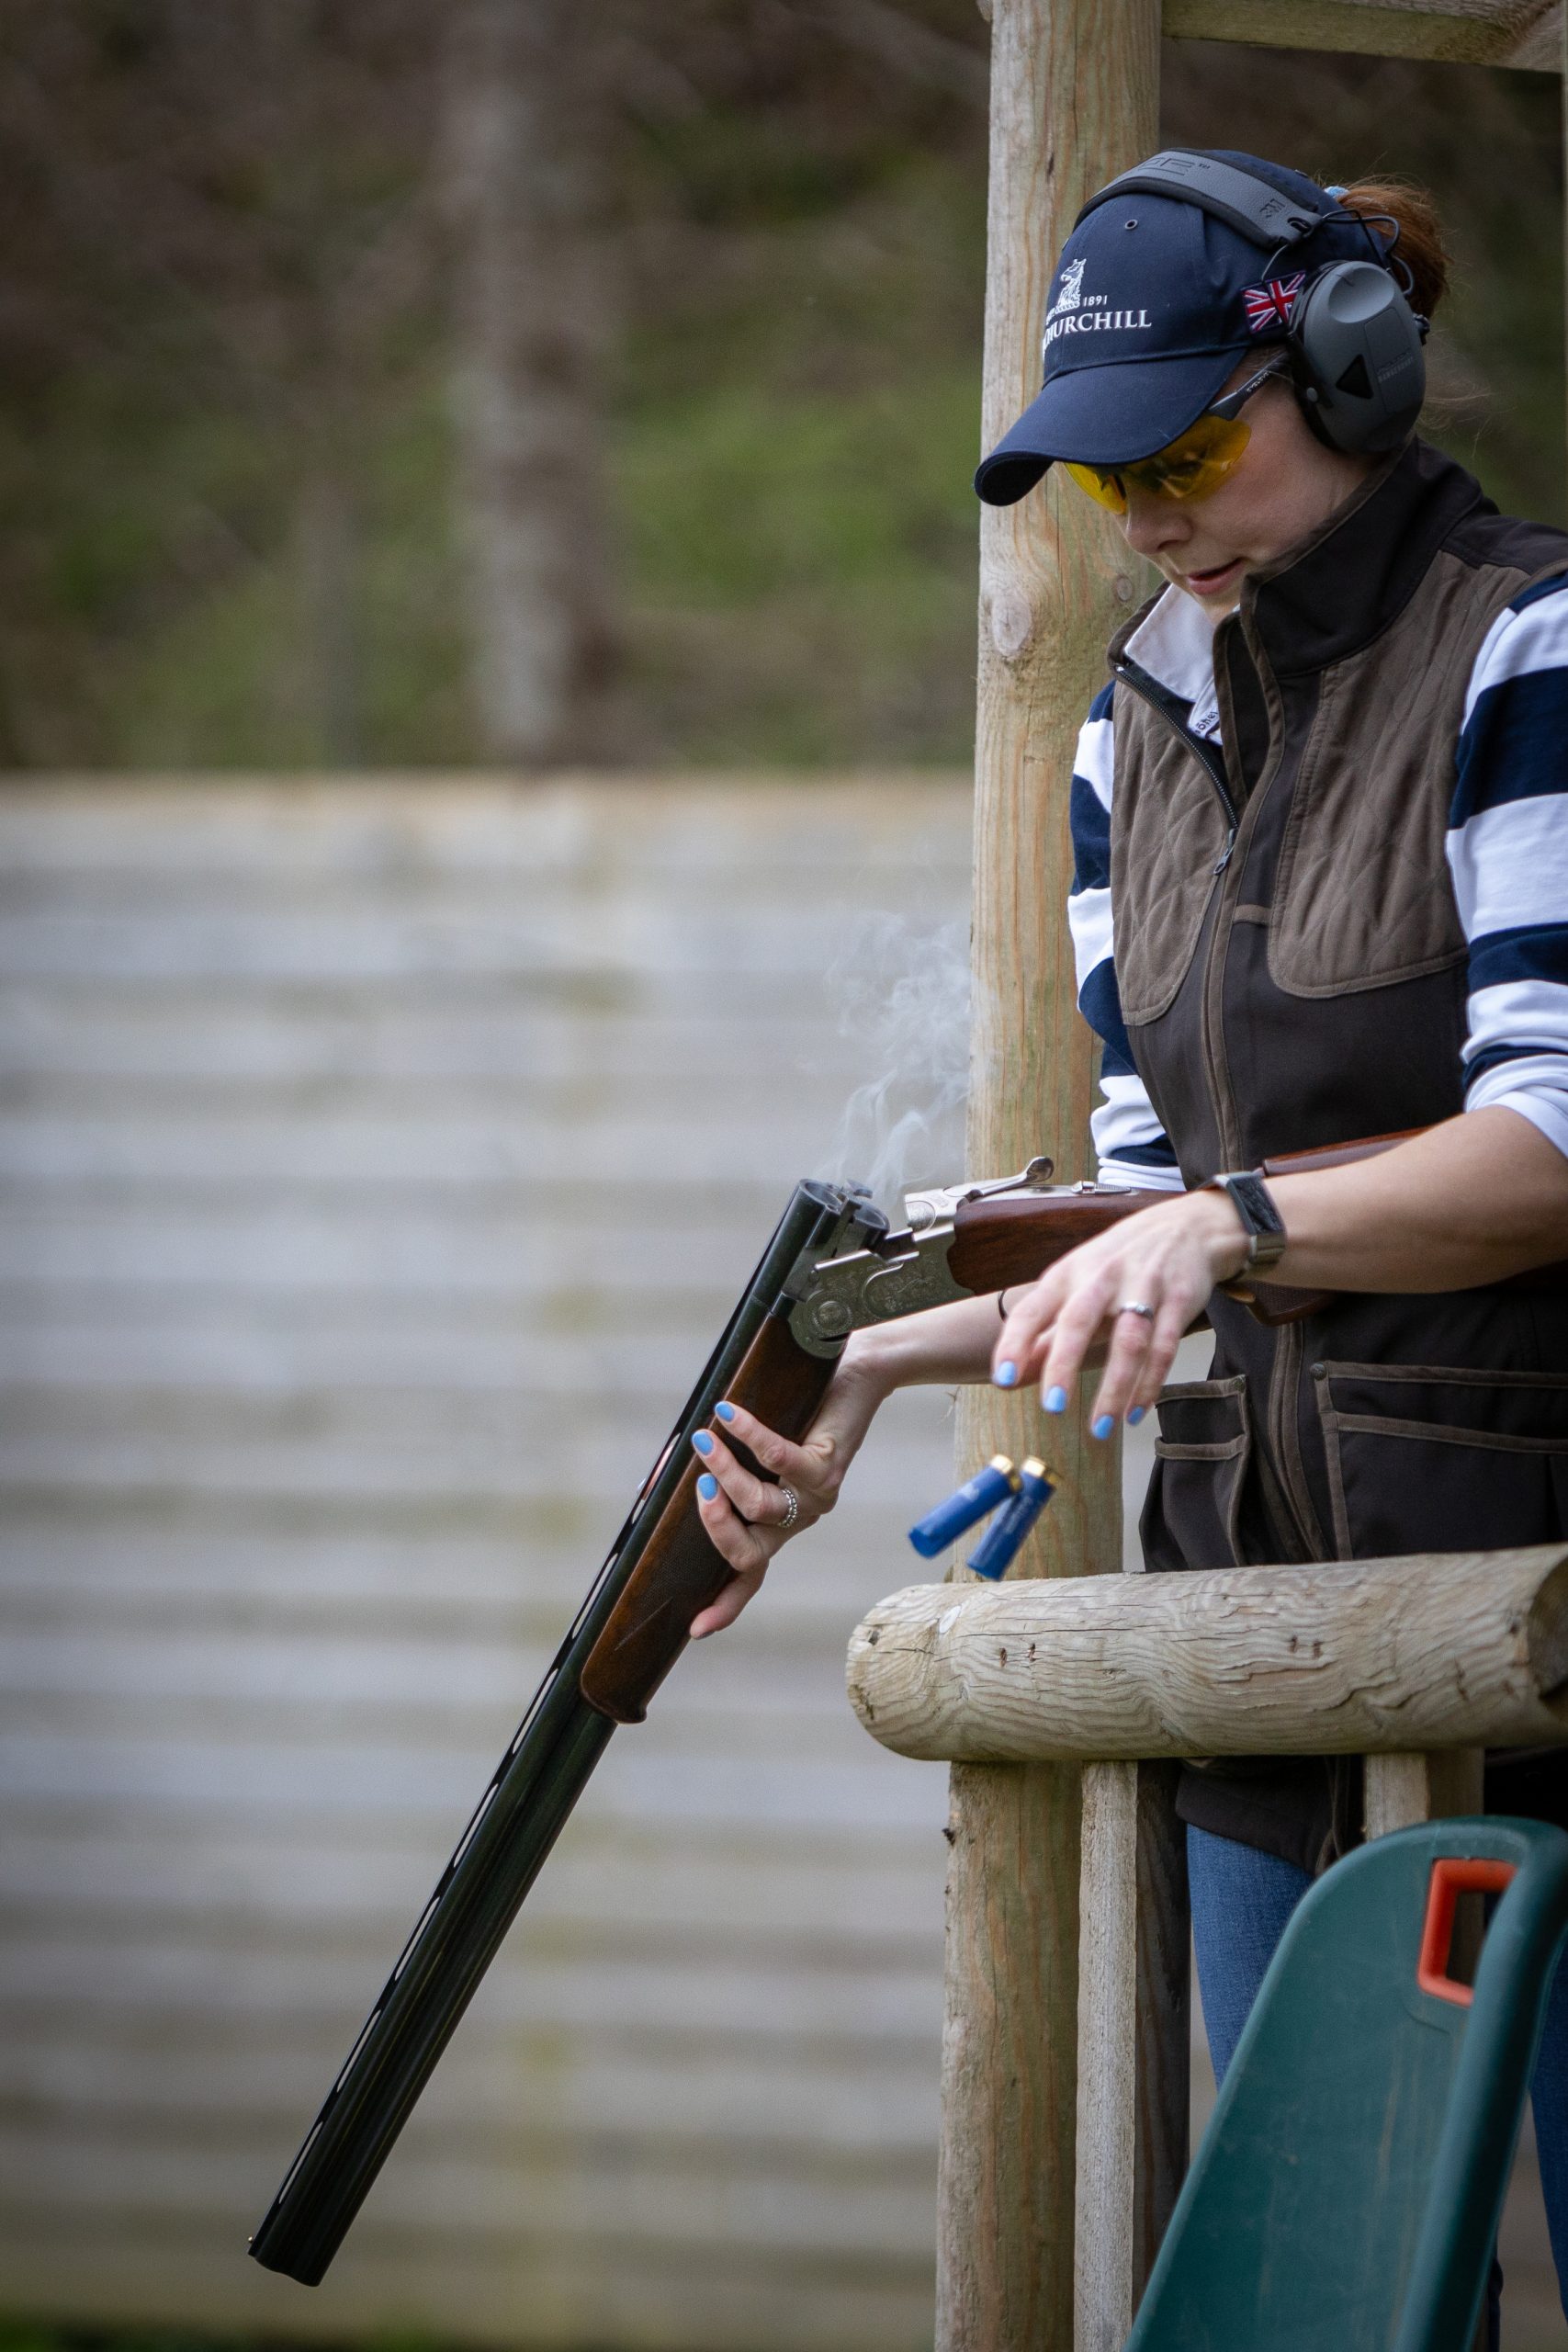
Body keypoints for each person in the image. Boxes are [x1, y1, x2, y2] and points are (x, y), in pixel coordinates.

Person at [683, 150, 1568, 2331]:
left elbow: (1548, 1139)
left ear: (1349, 368)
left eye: (1189, 442)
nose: (1146, 508)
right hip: (1256, 1667)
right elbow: (1128, 1209)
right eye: (1105, 472)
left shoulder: (1531, 640)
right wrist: (867, 1377)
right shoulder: (1124, 730)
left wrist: (1224, 1224)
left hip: (1535, 1634)